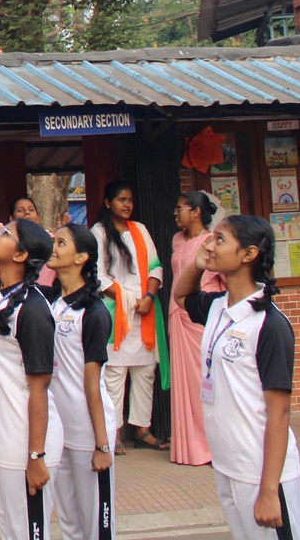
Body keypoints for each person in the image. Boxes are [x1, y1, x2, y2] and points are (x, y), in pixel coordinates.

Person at [172, 215, 300, 540]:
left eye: (220, 239)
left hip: (260, 471)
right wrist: (197, 265)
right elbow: (181, 297)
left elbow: (279, 412)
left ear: (248, 254)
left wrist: (270, 490)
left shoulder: (269, 324)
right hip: (227, 464)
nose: (210, 245)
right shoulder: (218, 307)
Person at [0, 218, 63, 540]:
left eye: (6, 233)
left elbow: (39, 387)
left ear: (20, 255)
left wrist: (36, 457)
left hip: (24, 442)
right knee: (9, 530)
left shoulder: (32, 308)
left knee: (28, 533)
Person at [43, 224, 117, 540]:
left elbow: (92, 383)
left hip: (88, 429)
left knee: (96, 523)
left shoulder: (94, 311)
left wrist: (102, 445)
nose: (54, 247)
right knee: (69, 521)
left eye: (61, 243)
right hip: (58, 428)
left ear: (81, 257)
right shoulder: (51, 302)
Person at [91, 180, 169, 451]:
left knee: (145, 371)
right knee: (115, 373)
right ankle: (113, 431)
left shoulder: (140, 229)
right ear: (108, 203)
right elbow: (98, 276)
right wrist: (129, 301)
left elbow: (156, 267)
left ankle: (142, 429)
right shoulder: (99, 233)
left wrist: (148, 298)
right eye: (121, 200)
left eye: (130, 200)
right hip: (116, 311)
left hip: (145, 309)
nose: (127, 205)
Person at [170, 190, 225, 467]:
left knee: (206, 383)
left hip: (201, 317)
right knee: (185, 386)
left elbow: (226, 280)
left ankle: (213, 446)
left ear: (196, 212)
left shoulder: (212, 241)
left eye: (180, 208)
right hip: (177, 315)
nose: (176, 213)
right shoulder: (177, 240)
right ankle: (189, 448)